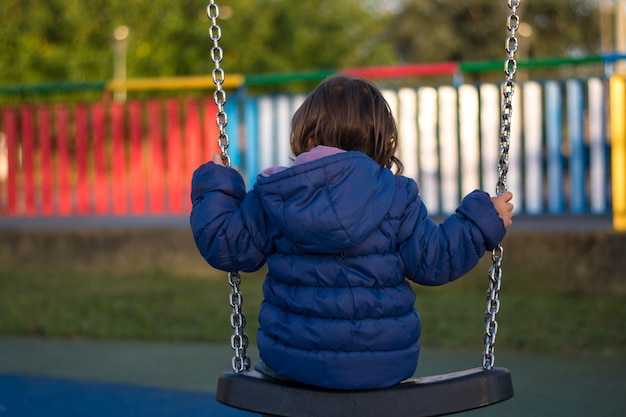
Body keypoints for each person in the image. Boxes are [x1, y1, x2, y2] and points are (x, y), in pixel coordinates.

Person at [190, 75, 514, 390]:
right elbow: (435, 259)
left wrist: (218, 184)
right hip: (382, 366)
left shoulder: (277, 194)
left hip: (292, 362)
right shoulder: (396, 196)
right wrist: (480, 222)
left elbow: (227, 246)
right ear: (381, 138)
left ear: (304, 132)